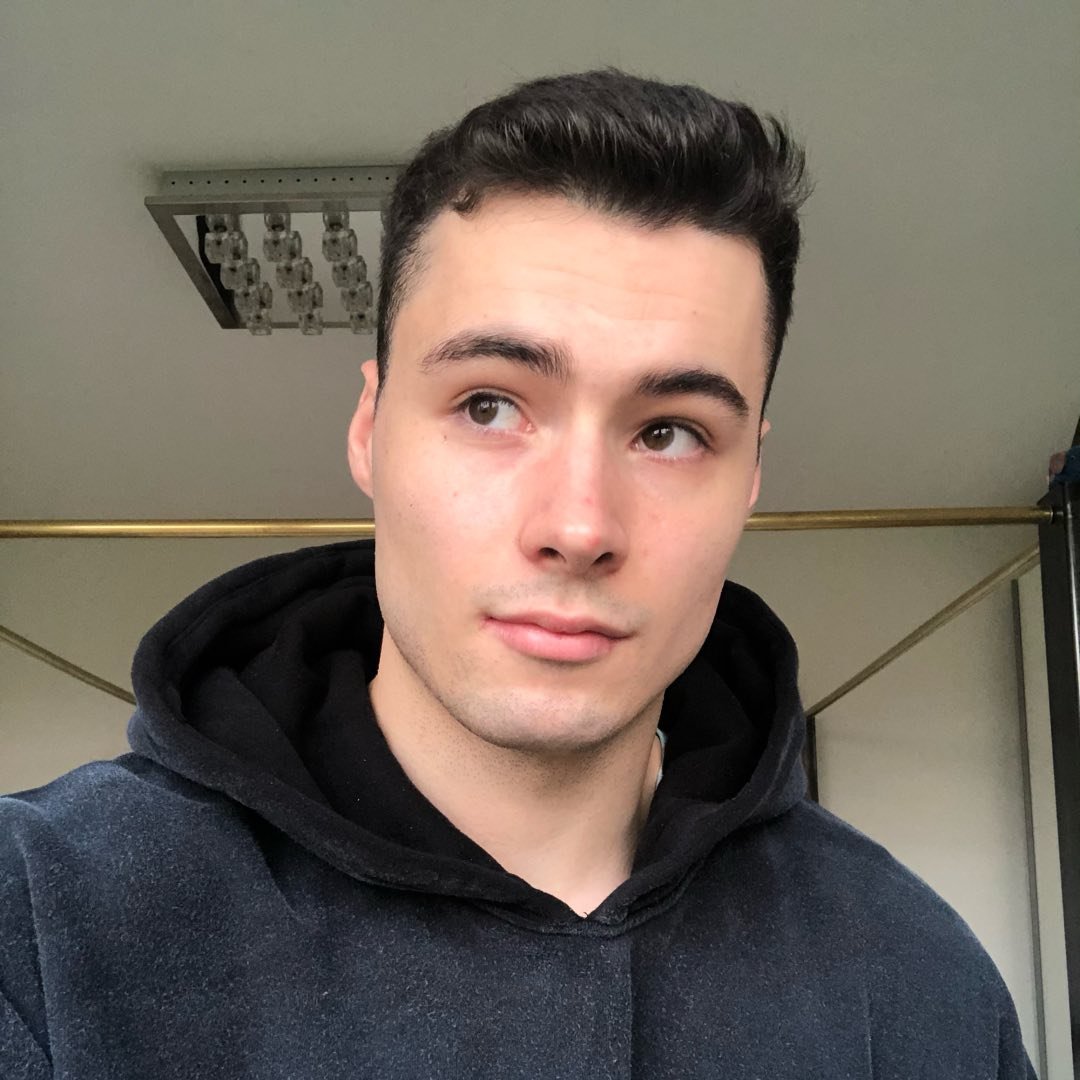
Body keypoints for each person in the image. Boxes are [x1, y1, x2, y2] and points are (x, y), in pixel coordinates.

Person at [0, 70, 1034, 1078]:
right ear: (369, 428)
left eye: (670, 432)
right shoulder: (40, 925)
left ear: (751, 476)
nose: (578, 526)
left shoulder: (918, 983)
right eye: (489, 406)